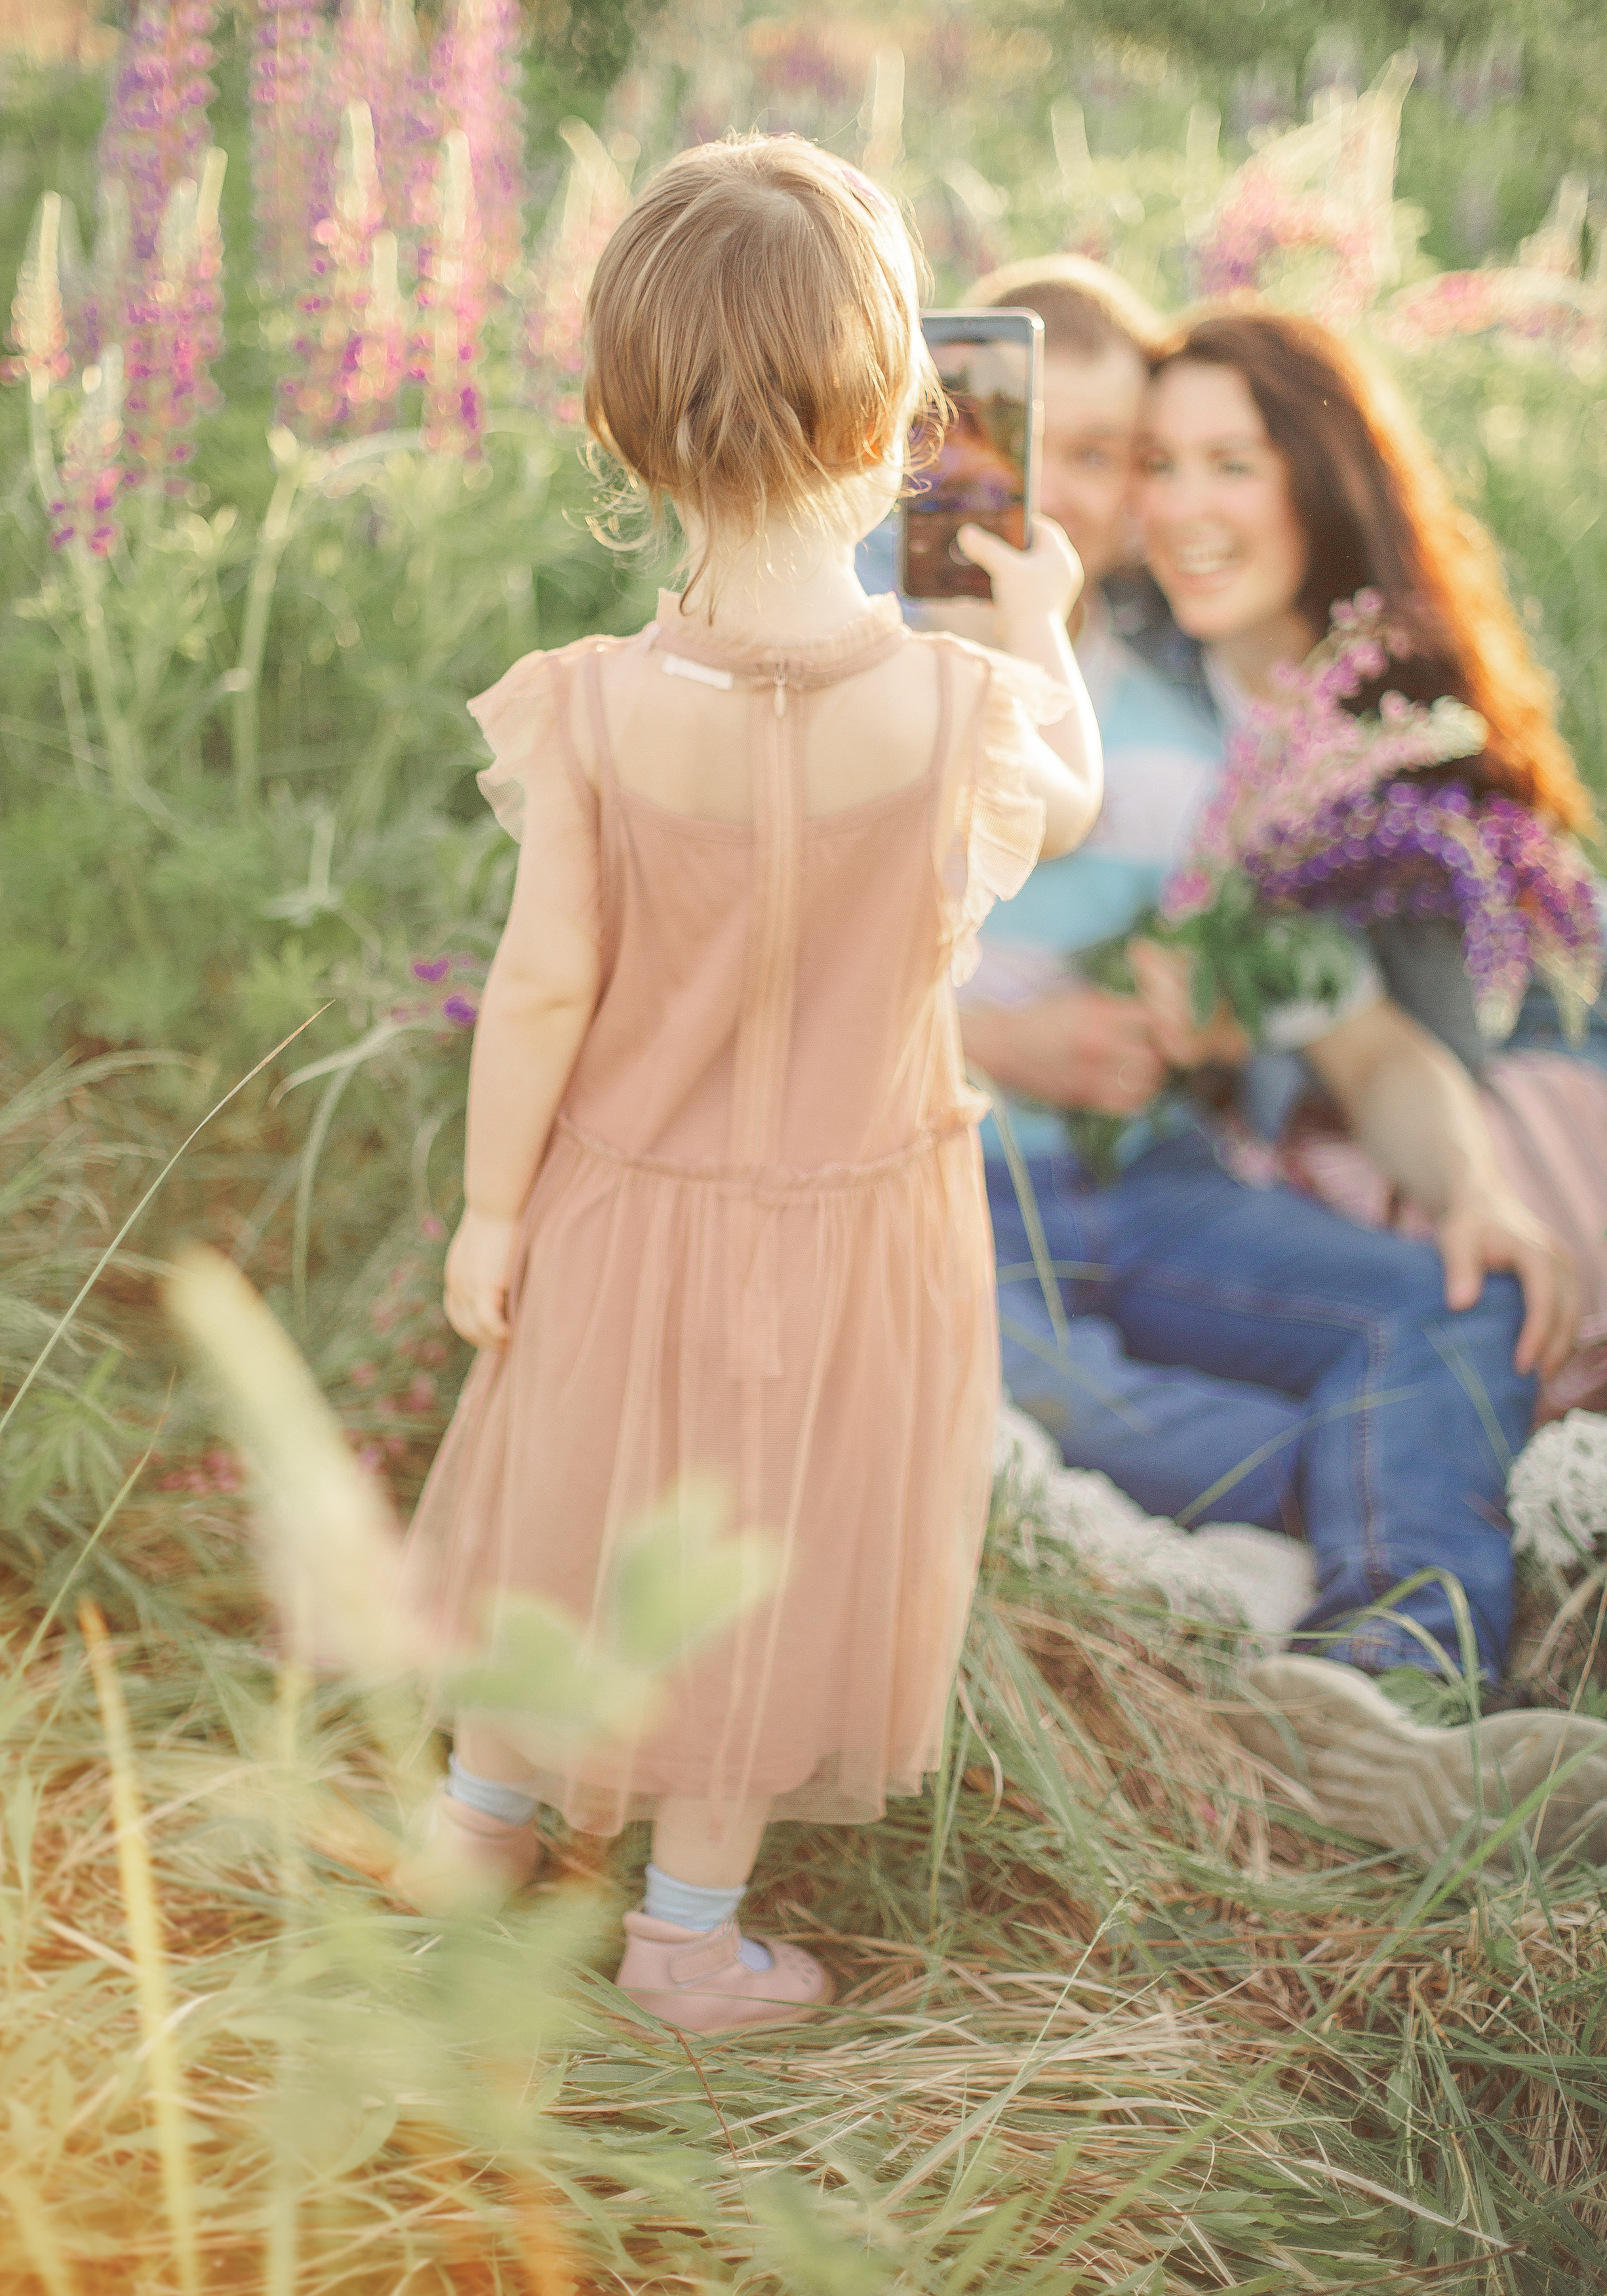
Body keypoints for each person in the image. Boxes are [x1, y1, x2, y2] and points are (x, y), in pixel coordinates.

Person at [399, 138, 1103, 2032]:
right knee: (768, 1555)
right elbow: (1083, 802)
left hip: (621, 1199)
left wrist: (489, 1210)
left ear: (621, 435)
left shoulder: (599, 709)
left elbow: (542, 985)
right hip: (858, 1218)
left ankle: (477, 1834)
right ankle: (687, 1937)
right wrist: (1034, 628)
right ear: (906, 421)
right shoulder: (962, 715)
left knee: (571, 1508)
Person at [941, 259, 1606, 1862]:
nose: (1125, 499)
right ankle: (1369, 1566)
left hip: (1152, 1182)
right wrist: (1003, 1035)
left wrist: (1470, 1191)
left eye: (1154, 459)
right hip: (948, 1181)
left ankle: (1396, 1689)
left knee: (1449, 1296)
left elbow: (1361, 1029)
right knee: (1066, 1412)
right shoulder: (915, 647)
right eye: (1104, 453)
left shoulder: (1214, 727)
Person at [1134, 309, 1607, 1422]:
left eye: (1231, 465)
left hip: (1490, 1099)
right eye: (1158, 465)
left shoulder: (1394, 746)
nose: (1181, 506)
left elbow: (1386, 1051)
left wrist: (1236, 1037)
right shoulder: (1128, 671)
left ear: (1321, 481)